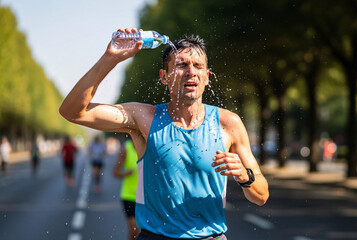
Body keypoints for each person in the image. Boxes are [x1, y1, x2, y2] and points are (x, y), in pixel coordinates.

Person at [59, 28, 269, 239]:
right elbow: (72, 112)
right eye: (181, 65)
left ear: (206, 77)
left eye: (198, 66)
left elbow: (261, 196)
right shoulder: (144, 118)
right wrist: (109, 59)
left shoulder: (228, 123)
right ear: (164, 77)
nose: (191, 72)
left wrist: (244, 176)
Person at [113, 139, 139, 240]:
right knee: (134, 230)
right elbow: (115, 172)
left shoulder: (148, 145)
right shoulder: (126, 149)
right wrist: (127, 173)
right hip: (128, 195)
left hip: (145, 197)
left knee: (145, 232)